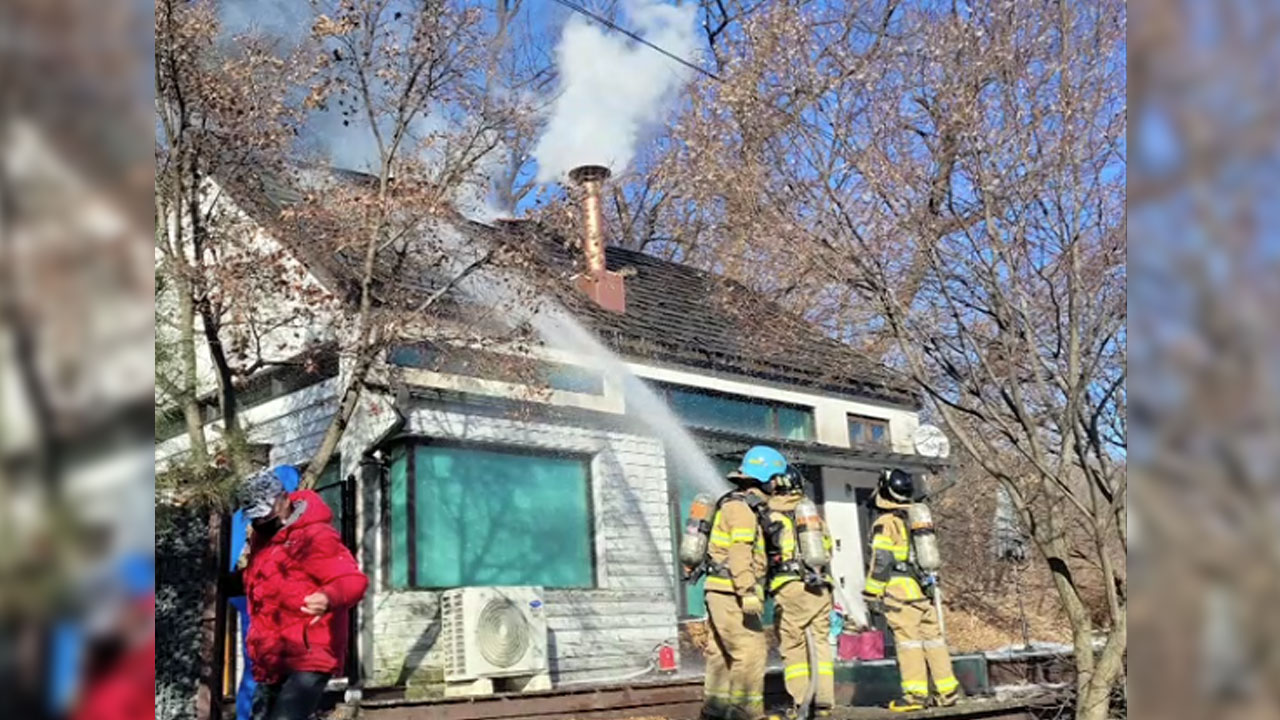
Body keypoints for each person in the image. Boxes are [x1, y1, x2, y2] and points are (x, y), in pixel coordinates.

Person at [234, 469, 368, 720]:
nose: (260, 522)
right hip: (272, 657)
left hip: (309, 654)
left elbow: (352, 580)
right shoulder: (262, 542)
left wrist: (329, 597)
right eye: (255, 518)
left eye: (265, 514)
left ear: (284, 499)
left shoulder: (315, 536)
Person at [862, 469, 959, 712]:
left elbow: (881, 560)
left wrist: (871, 592)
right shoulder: (916, 518)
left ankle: (915, 696)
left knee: (909, 644)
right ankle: (947, 692)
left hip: (899, 594)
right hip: (922, 591)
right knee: (934, 641)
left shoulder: (886, 523)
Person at [700, 445, 783, 720]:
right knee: (750, 651)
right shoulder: (743, 509)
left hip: (720, 590)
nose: (777, 485)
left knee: (722, 654)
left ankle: (715, 711)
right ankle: (745, 713)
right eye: (775, 479)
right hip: (732, 592)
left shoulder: (734, 504)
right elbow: (740, 551)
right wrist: (747, 590)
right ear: (766, 479)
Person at [229, 465, 300, 720]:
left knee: (256, 661)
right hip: (257, 593)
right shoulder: (268, 516)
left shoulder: (244, 512)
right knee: (260, 662)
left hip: (241, 588)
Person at [764, 466, 835, 720]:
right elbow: (828, 549)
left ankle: (800, 703)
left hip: (791, 587)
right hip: (820, 585)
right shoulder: (813, 517)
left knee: (792, 645)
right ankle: (824, 703)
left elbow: (764, 556)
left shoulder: (770, 517)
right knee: (821, 643)